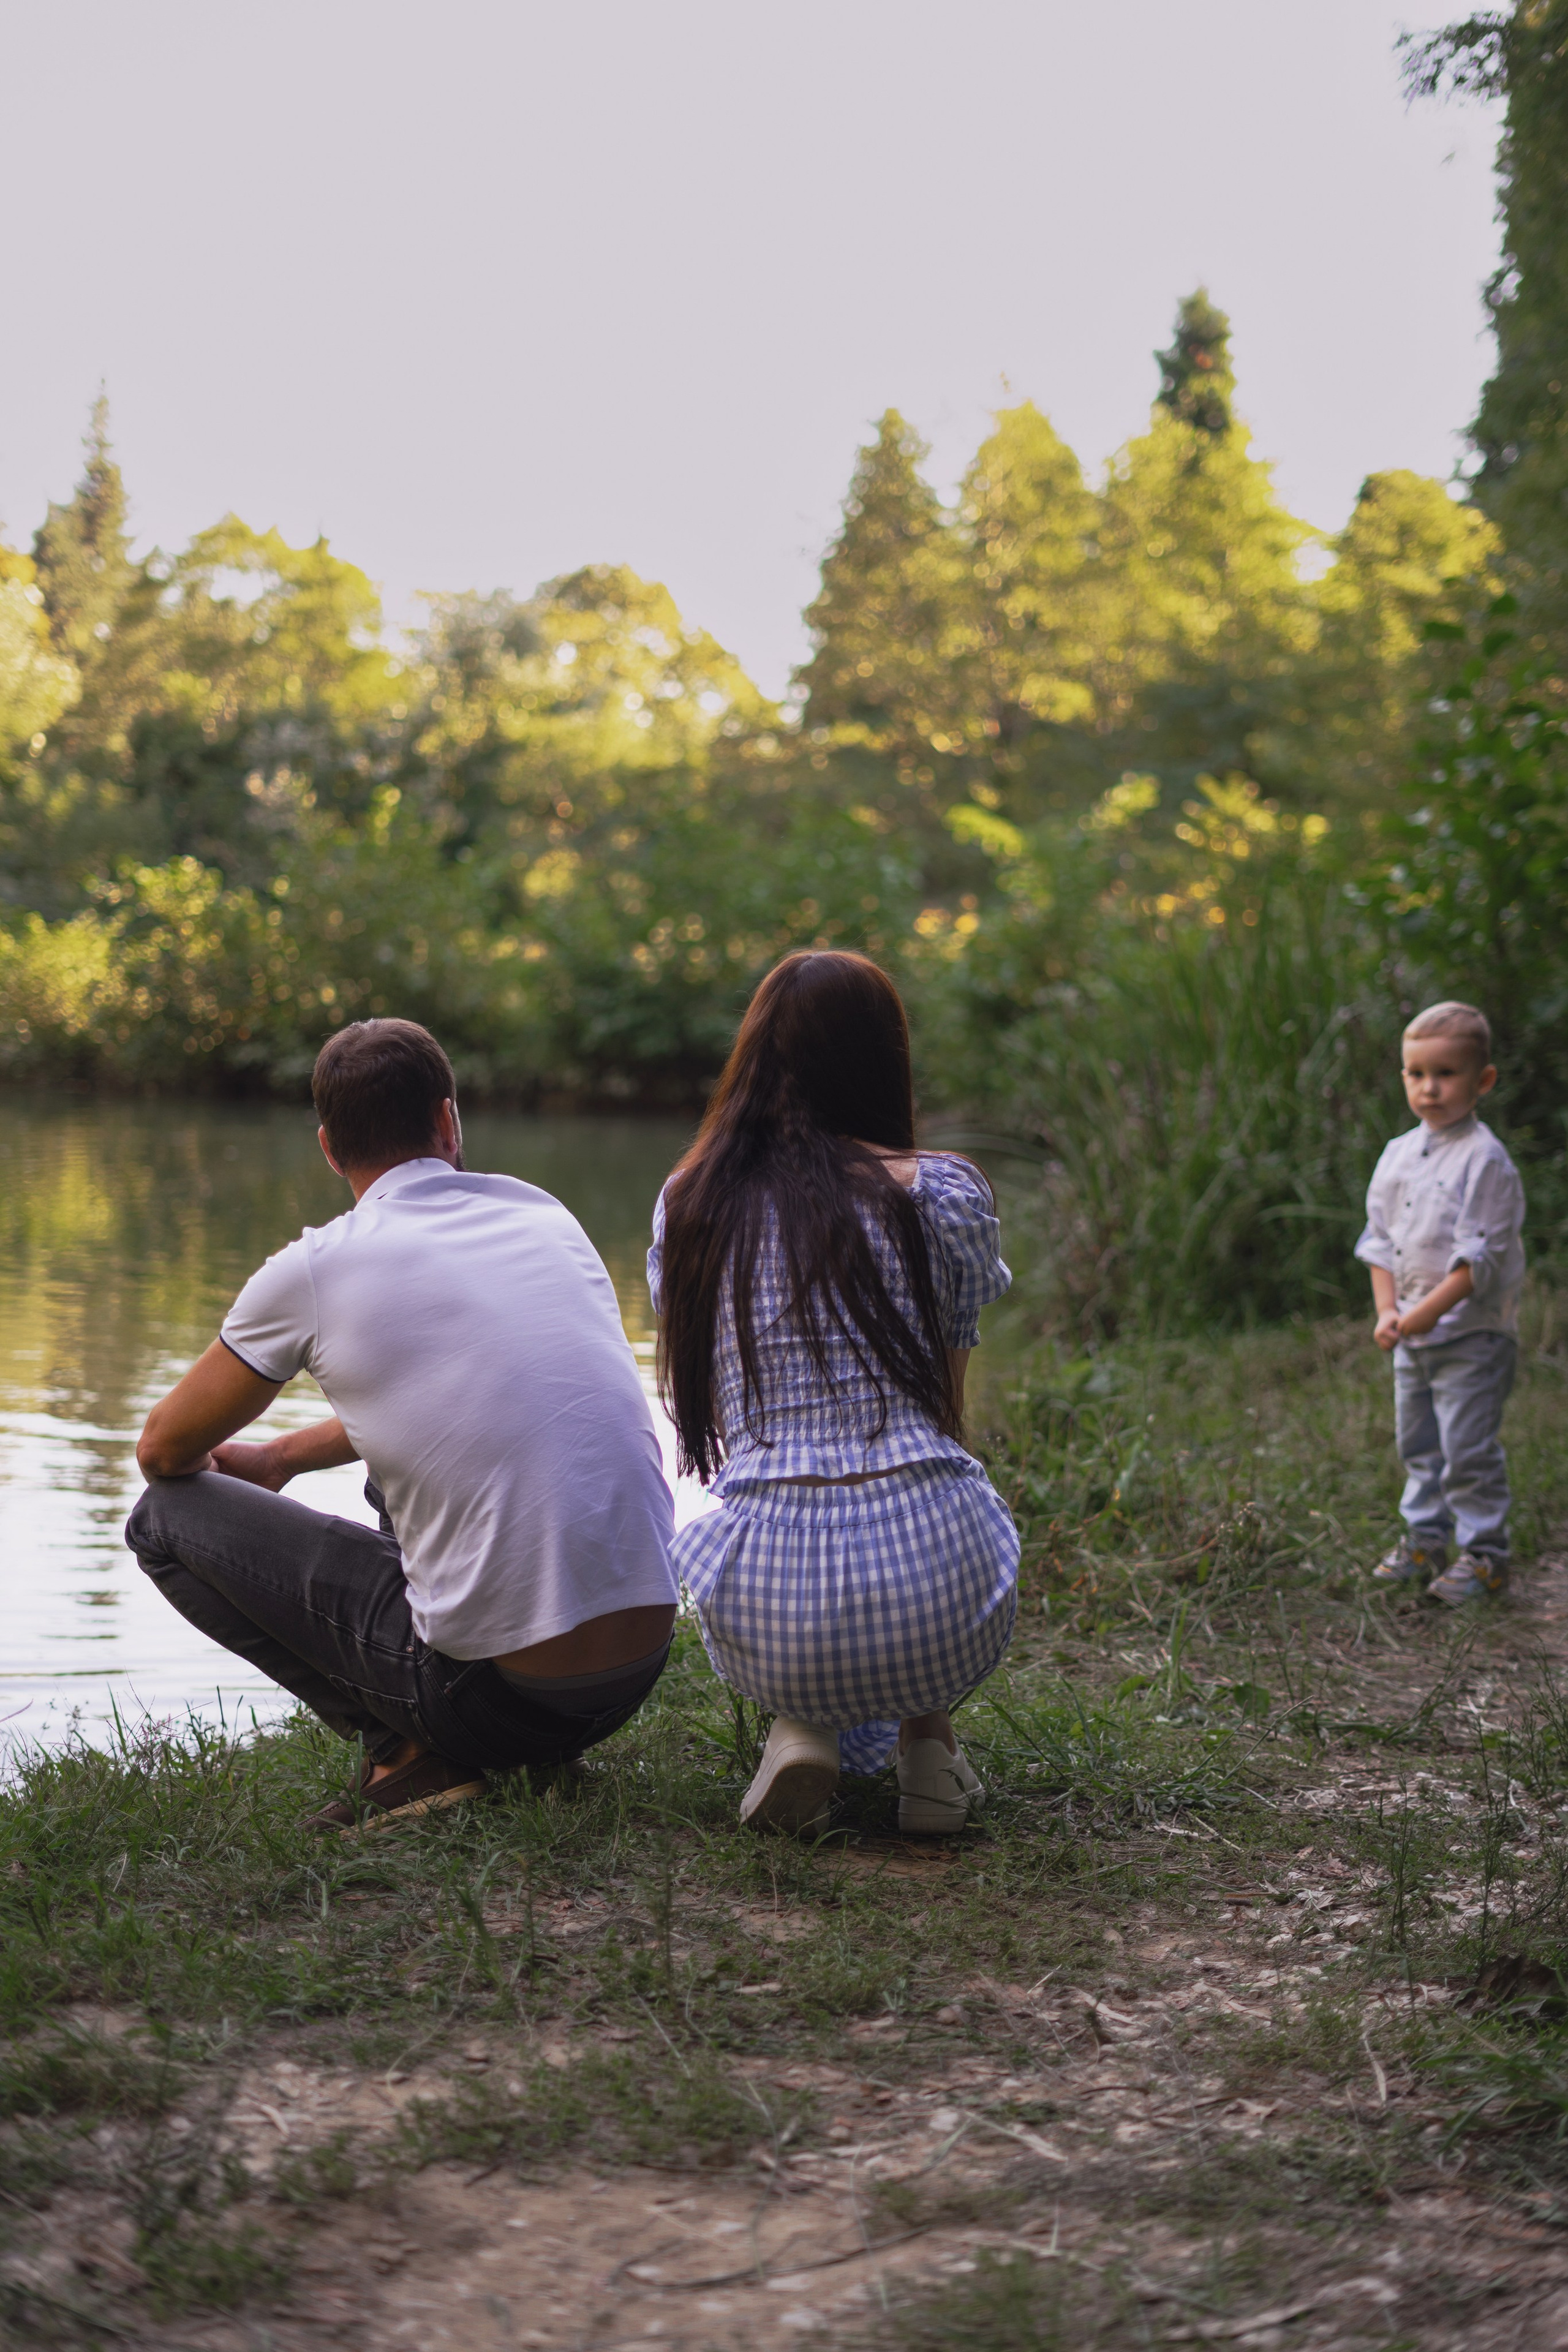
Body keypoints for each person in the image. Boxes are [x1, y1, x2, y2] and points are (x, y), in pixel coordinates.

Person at [127, 1018, 677, 1828]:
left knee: (160, 1520)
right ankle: (506, 1745)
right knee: (402, 1471)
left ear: (328, 1148)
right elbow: (471, 1394)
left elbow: (164, 1450)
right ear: (448, 1121)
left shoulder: (317, 1268)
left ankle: (407, 1753)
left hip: (499, 1703)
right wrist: (283, 1457)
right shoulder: (541, 1214)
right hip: (634, 1672)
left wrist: (248, 1463)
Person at [648, 951, 1019, 1836]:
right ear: (884, 1059)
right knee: (929, 1487)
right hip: (943, 1592)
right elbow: (945, 1411)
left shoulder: (691, 1204)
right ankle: (928, 1750)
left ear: (753, 1058)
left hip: (769, 1596)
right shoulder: (943, 1193)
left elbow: (727, 1420)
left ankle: (799, 1725)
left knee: (790, 1517)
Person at [1355, 1000, 1526, 1606]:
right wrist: (1388, 1311)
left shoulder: (1485, 1160)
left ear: (1483, 1080)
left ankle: (1485, 1555)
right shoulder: (1398, 1154)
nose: (1429, 1088)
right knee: (1419, 1443)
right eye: (1416, 1073)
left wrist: (1424, 1312)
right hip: (1411, 1332)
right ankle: (1425, 1540)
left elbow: (1477, 1260)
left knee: (1466, 1448)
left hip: (1471, 1334)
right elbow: (1379, 1241)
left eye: (1446, 1074)